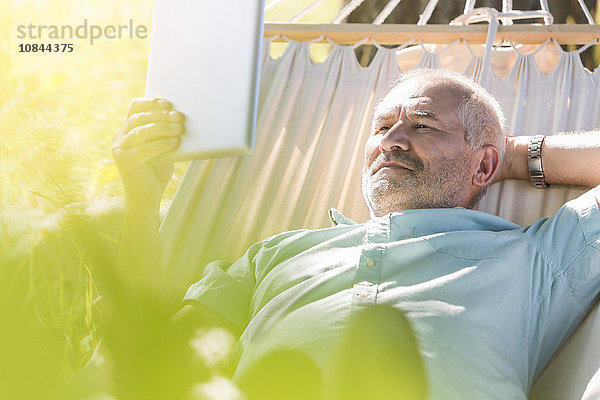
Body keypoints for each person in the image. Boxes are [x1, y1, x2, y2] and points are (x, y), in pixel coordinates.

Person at [112, 68, 600, 399]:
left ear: (483, 163)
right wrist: (141, 198)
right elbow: (153, 351)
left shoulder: (534, 258)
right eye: (382, 126)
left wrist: (509, 157)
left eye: (424, 125)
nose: (392, 140)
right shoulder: (279, 254)